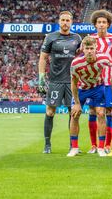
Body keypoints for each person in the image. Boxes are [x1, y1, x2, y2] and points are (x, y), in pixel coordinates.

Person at [38, 11, 81, 154]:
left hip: (72, 81)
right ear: (59, 21)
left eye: (67, 20)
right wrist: (41, 77)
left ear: (71, 22)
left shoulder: (77, 38)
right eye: (62, 20)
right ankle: (47, 144)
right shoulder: (51, 37)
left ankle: (73, 146)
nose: (65, 22)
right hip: (55, 80)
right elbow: (43, 58)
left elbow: (81, 58)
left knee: (73, 113)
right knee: (50, 112)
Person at [68, 36, 112, 157]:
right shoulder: (76, 63)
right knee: (75, 114)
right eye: (87, 48)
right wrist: (77, 103)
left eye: (91, 48)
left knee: (101, 114)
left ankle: (101, 148)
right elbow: (73, 82)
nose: (89, 51)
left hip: (98, 88)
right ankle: (74, 148)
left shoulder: (103, 58)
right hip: (81, 89)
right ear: (83, 49)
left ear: (96, 48)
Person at [88, 10, 112, 154]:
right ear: (95, 24)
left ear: (108, 24)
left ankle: (107, 144)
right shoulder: (90, 39)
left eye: (104, 22)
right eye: (99, 22)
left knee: (108, 113)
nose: (101, 25)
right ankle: (93, 145)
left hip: (109, 83)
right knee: (92, 112)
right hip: (93, 83)